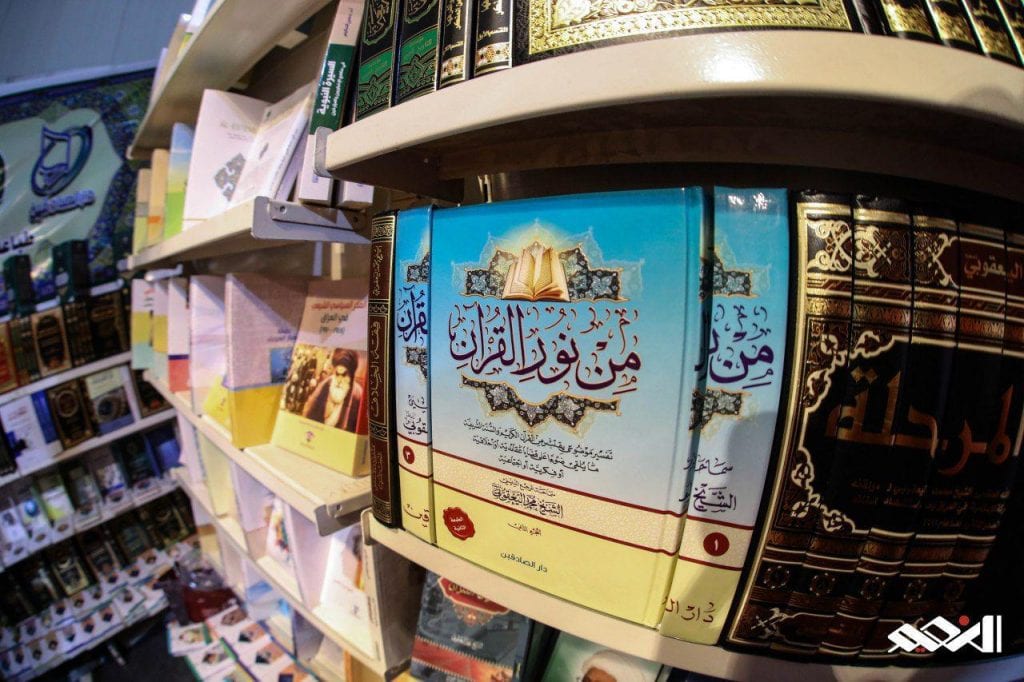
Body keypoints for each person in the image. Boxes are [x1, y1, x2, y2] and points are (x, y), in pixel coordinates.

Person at [303, 348, 363, 432]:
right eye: (337, 374)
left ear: (351, 376)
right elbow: (309, 415)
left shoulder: (358, 394)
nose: (339, 380)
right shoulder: (324, 385)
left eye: (344, 375)